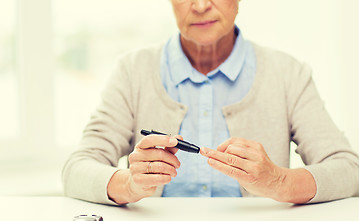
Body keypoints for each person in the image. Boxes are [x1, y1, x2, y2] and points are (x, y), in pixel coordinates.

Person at [62, 0, 359, 205]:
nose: (201, 5)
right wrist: (127, 184)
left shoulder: (288, 73)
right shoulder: (132, 71)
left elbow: (349, 171)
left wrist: (279, 181)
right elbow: (77, 169)